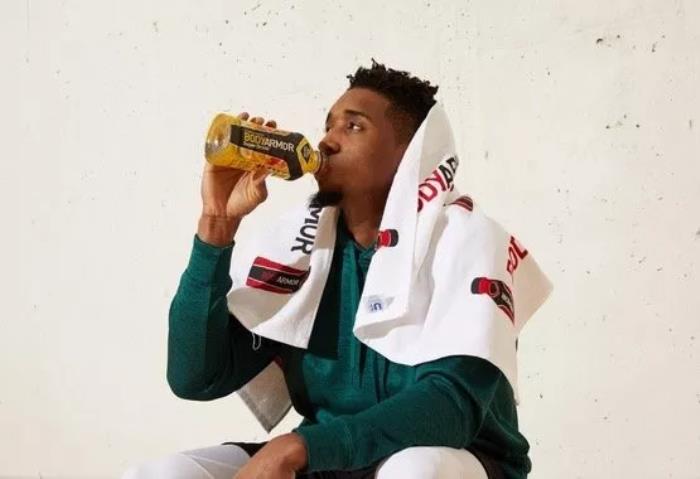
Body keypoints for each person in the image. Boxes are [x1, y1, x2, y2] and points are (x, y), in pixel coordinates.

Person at [122, 61, 532, 479]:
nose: (327, 141)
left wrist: (301, 447)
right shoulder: (301, 251)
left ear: (410, 154)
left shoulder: (468, 242)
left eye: (353, 126)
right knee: (164, 473)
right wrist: (216, 228)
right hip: (327, 460)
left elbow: (450, 408)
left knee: (416, 469)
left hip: (458, 459)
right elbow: (196, 378)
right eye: (328, 125)